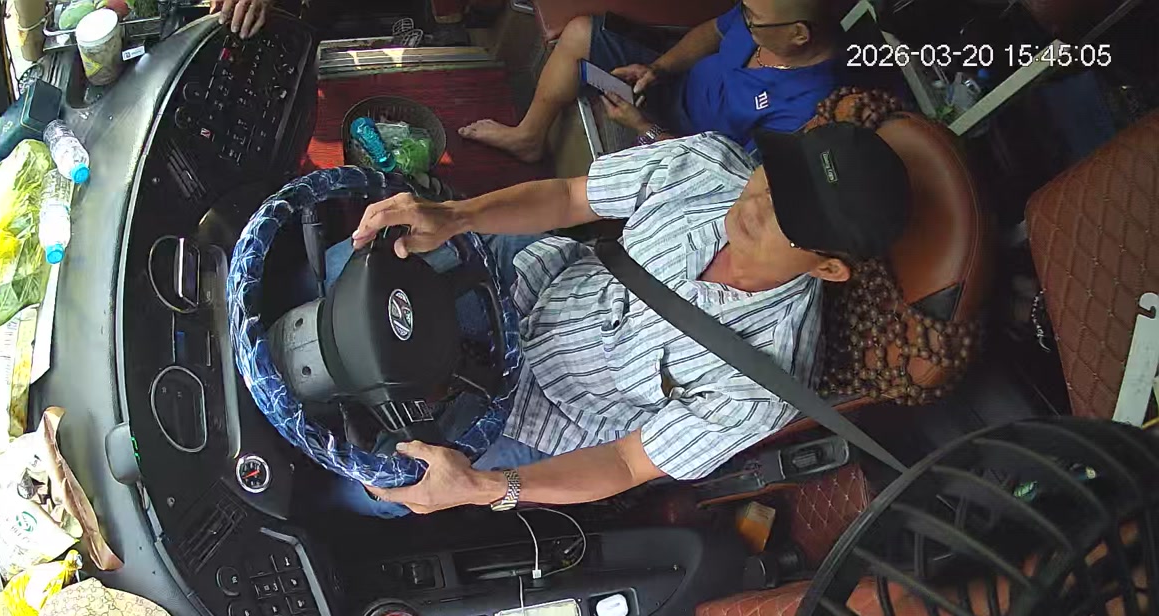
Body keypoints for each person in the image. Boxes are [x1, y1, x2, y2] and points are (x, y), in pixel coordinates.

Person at [319, 119, 911, 517]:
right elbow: (571, 198)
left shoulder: (761, 385)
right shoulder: (706, 166)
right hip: (528, 278)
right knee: (349, 263)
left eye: (792, 217)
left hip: (538, 414)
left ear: (827, 268)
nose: (756, 204)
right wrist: (455, 215)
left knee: (366, 485)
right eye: (775, 176)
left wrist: (481, 488)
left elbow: (627, 462)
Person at [460, 0, 842, 162]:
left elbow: (728, 172)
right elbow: (713, 31)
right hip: (673, 82)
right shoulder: (763, 17)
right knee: (580, 33)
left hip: (685, 143)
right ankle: (529, 137)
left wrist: (645, 128)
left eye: (753, 21)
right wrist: (658, 69)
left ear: (799, 34)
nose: (744, 20)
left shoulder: (806, 110)